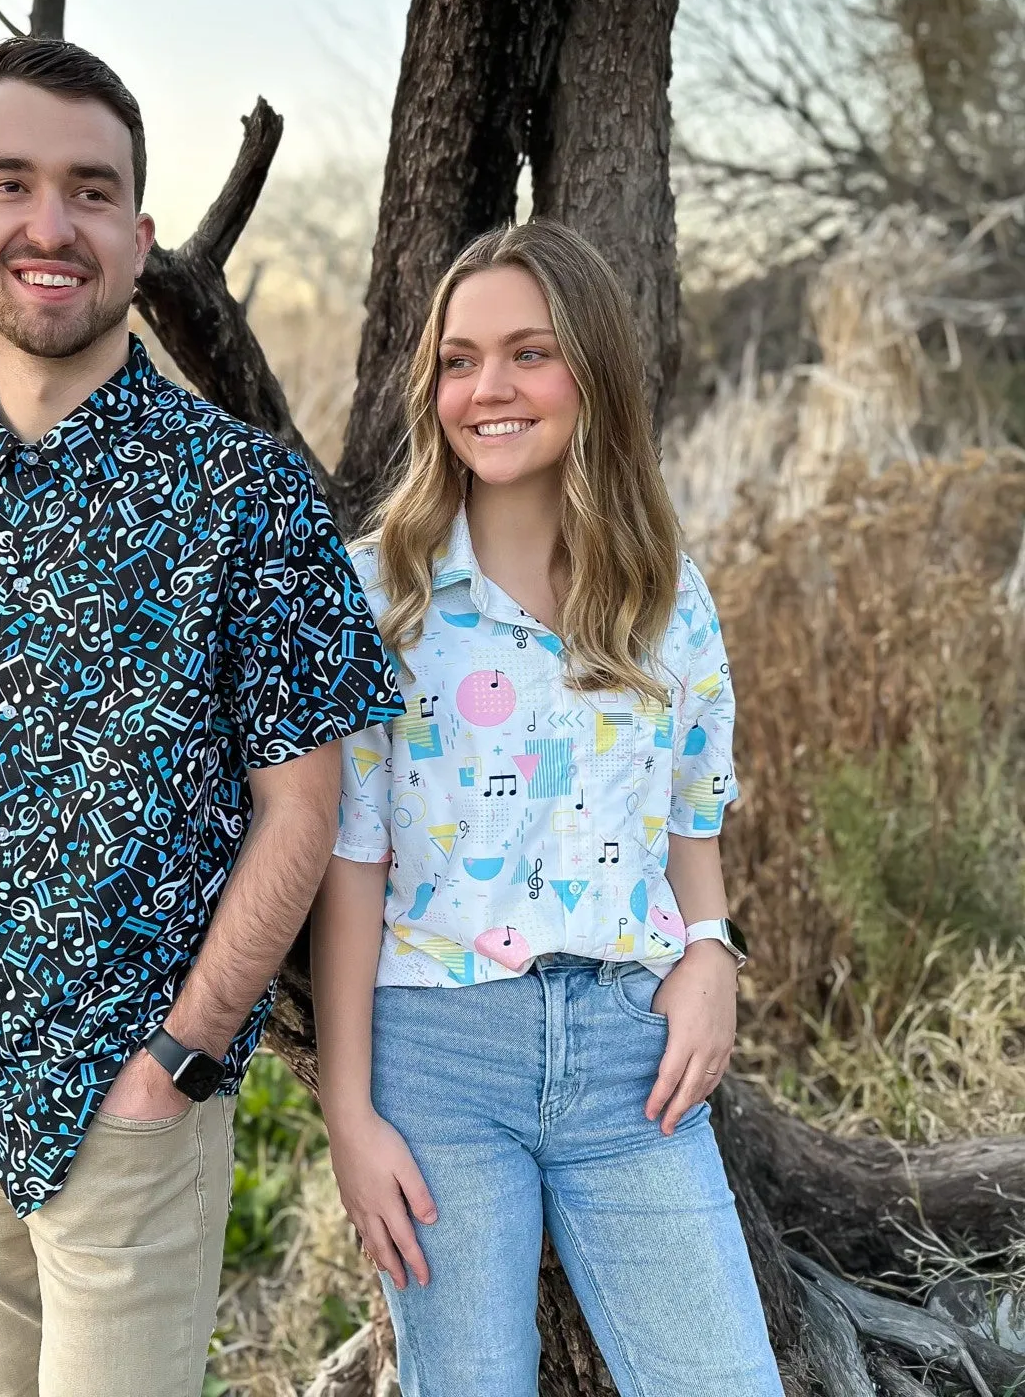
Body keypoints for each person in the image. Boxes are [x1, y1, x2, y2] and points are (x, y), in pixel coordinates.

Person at [0, 36, 403, 1397]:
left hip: (127, 1109)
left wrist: (176, 1062)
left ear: (141, 238)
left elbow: (304, 805)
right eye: (11, 182)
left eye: (90, 191)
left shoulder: (245, 495)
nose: (50, 223)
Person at [309, 219, 783, 1397]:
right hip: (439, 1063)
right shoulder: (381, 597)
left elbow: (691, 814)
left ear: (591, 371)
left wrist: (712, 953)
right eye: (460, 360)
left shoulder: (668, 598)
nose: (489, 388)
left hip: (637, 1062)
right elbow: (351, 864)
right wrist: (351, 1116)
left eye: (528, 352)